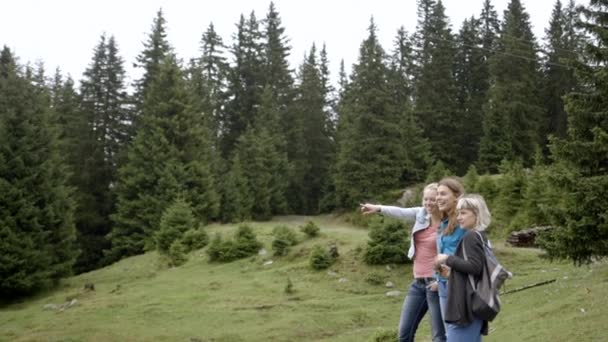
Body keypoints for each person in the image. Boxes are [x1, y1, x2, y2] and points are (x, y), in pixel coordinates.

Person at [360, 183, 446, 342]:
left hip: (436, 284)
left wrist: (441, 281)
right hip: (418, 283)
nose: (428, 203)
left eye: (432, 199)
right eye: (425, 199)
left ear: (440, 200)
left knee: (439, 337)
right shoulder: (421, 214)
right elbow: (399, 212)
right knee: (404, 334)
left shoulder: (448, 224)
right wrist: (378, 208)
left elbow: (455, 252)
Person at [435, 194, 491, 342]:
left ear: (477, 214)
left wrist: (447, 258)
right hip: (474, 305)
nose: (459, 217)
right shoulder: (480, 235)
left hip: (465, 308)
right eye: (458, 213)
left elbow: (475, 267)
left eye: (464, 213)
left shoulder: (471, 237)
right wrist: (452, 274)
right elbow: (476, 270)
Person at [434, 177, 467, 322]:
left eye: (443, 194)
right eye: (438, 194)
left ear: (456, 197)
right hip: (443, 283)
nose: (438, 198)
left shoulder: (464, 223)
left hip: (458, 284)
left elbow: (476, 256)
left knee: (457, 330)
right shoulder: (443, 222)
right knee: (450, 333)